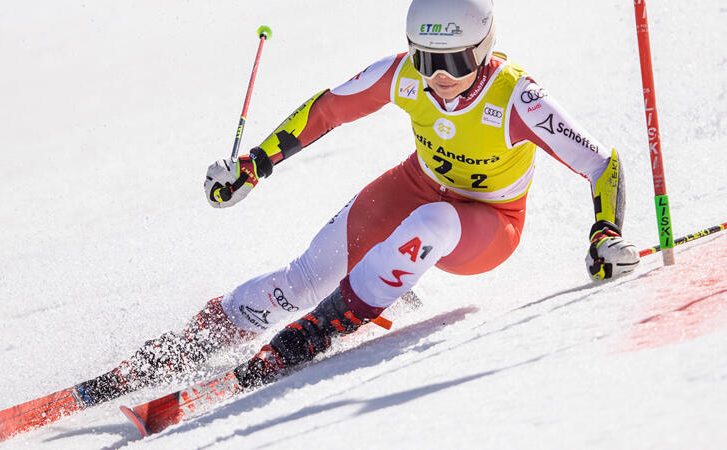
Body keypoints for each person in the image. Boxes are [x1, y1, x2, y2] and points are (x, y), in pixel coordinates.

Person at [78, 0, 640, 400]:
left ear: (484, 48)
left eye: (456, 61)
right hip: (416, 184)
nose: (440, 78)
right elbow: (329, 108)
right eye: (427, 59)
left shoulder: (519, 98)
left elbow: (601, 163)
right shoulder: (405, 77)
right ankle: (191, 343)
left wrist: (604, 233)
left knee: (436, 218)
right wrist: (255, 164)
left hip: (489, 226)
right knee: (304, 277)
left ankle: (326, 325)